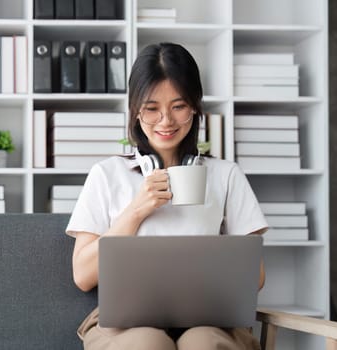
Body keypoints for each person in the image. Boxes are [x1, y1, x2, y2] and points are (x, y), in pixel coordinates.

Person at [65, 42, 268, 350]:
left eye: (178, 106)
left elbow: (257, 277)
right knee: (146, 344)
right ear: (135, 110)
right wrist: (135, 211)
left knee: (202, 343)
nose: (166, 121)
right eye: (151, 108)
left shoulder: (226, 175)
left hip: (210, 321)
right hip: (126, 326)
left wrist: (212, 256)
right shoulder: (107, 174)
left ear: (195, 107)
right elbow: (83, 275)